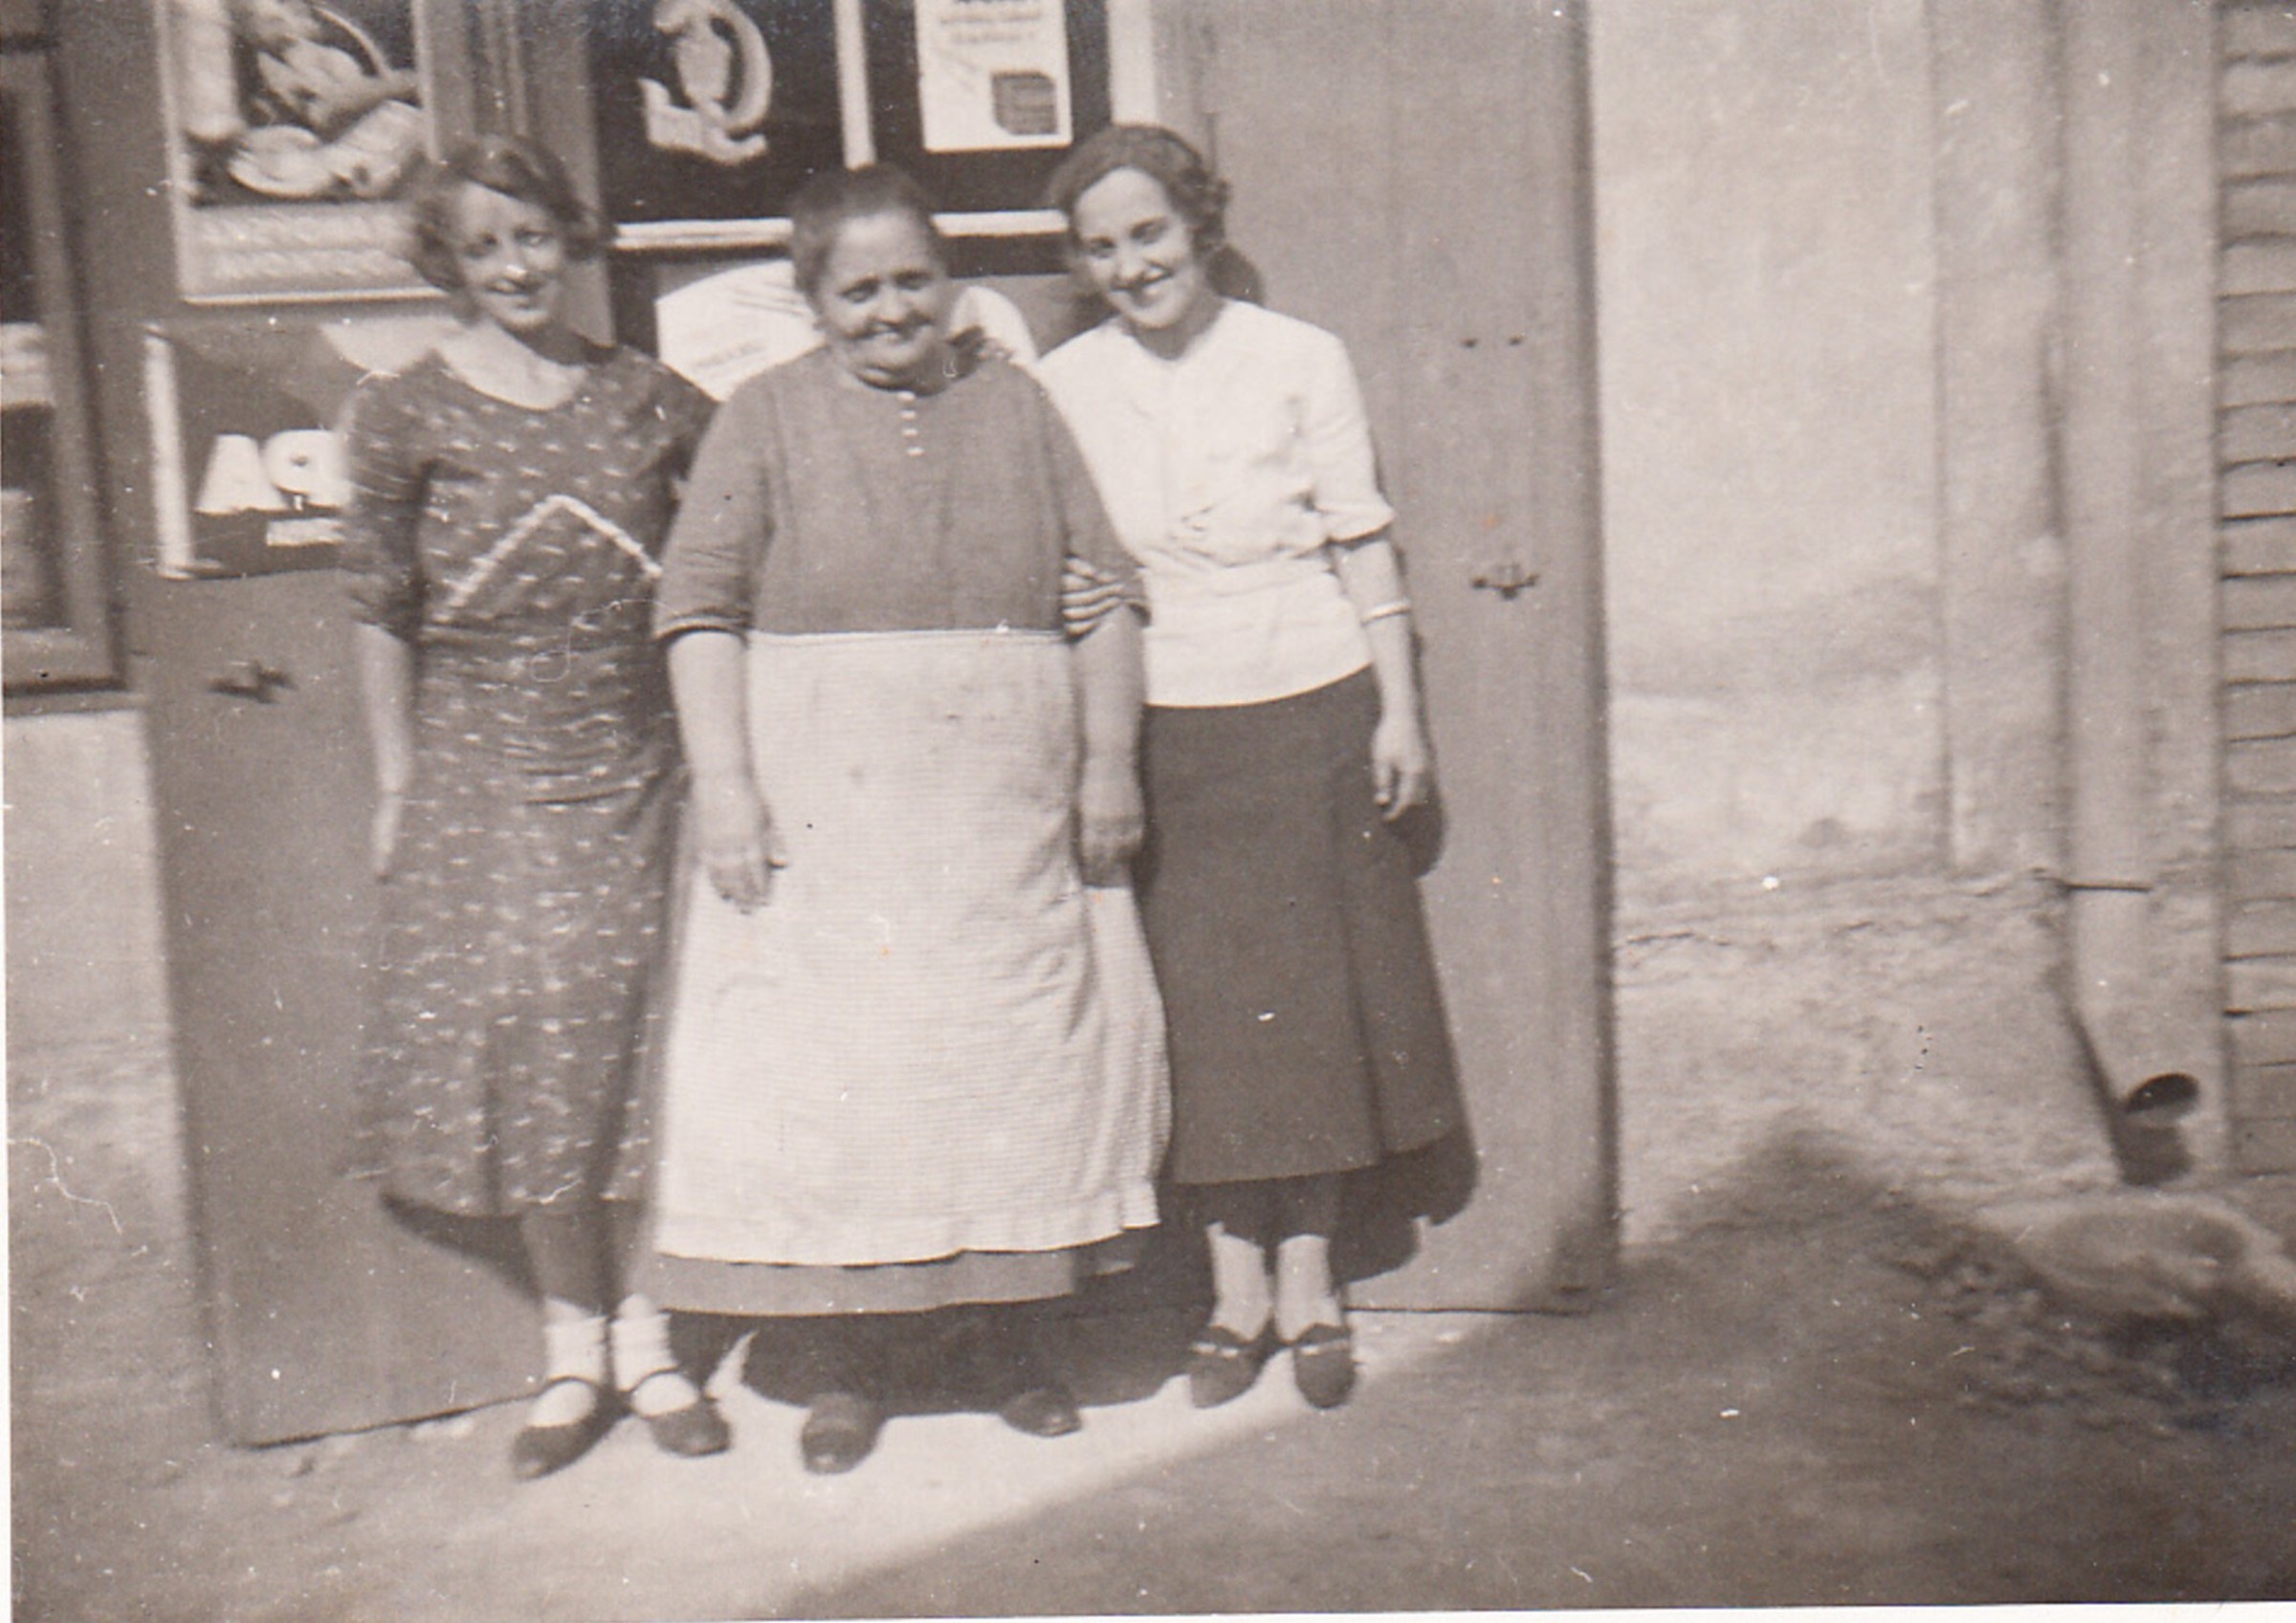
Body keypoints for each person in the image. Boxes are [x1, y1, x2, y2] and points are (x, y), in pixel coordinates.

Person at [644, 164, 1164, 1475]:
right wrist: (727, 784)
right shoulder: (762, 418)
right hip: (832, 814)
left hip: (1000, 811)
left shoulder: (1018, 406)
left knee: (1002, 1069)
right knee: (850, 1078)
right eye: (859, 289)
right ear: (814, 300)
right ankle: (853, 1365)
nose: (892, 311)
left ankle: (1002, 1346)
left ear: (951, 282)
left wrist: (1109, 764)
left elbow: (1104, 595)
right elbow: (697, 611)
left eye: (914, 281)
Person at [1040, 124, 1465, 1412]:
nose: (1132, 266)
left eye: (1151, 234)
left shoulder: (1300, 358)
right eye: (1103, 248)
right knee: (1208, 1017)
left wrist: (1402, 714)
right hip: (1163, 722)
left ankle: (1312, 1281)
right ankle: (1232, 1290)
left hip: (1311, 703)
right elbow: (1062, 558)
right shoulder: (1065, 383)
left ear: (1201, 227)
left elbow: (1362, 543)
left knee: (1314, 1006)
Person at [343, 134, 726, 1478]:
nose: (513, 267)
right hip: (485, 768)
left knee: (646, 1037)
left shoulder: (650, 397)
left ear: (569, 237)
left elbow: (743, 533)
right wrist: (397, 784)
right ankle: (575, 1348)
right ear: (445, 263)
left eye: (531, 237)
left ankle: (651, 1337)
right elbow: (379, 610)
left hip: (641, 759)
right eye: (481, 246)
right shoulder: (402, 410)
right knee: (535, 1038)